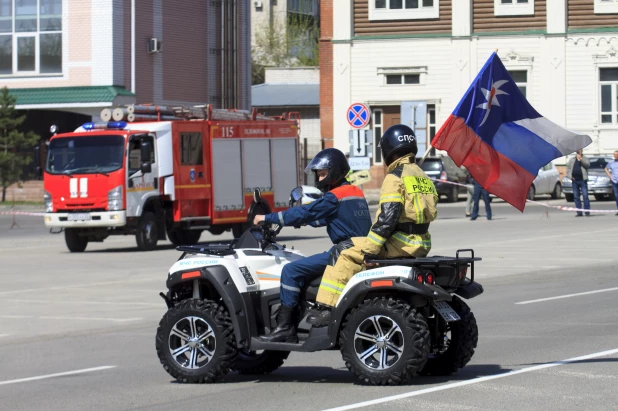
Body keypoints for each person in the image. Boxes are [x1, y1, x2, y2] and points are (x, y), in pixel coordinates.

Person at [306, 124, 438, 326]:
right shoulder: (424, 176)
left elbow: (387, 219)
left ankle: (326, 308)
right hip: (421, 243)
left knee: (343, 250)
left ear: (388, 150)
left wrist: (370, 251)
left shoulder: (395, 177)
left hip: (399, 244)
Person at [252, 148, 372, 342]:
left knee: (291, 270)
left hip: (345, 251)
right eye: (318, 174)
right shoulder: (355, 192)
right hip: (361, 249)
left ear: (335, 172)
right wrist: (305, 221)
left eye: (323, 173)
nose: (319, 178)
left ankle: (285, 328)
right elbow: (336, 218)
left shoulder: (334, 196)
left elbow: (305, 212)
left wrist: (267, 217)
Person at [566, 150, 591, 217]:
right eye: (577, 151)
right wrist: (570, 176)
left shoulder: (585, 158)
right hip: (575, 180)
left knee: (585, 196)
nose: (578, 152)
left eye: (579, 150)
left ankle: (587, 211)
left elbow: (587, 165)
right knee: (576, 197)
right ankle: (579, 212)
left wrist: (581, 159)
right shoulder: (572, 159)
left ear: (582, 151)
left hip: (583, 180)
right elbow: (568, 168)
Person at [605, 150, 618, 216]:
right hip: (615, 181)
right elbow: (606, 169)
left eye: (616, 154)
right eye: (614, 154)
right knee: (616, 196)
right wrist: (610, 176)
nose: (615, 156)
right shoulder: (611, 162)